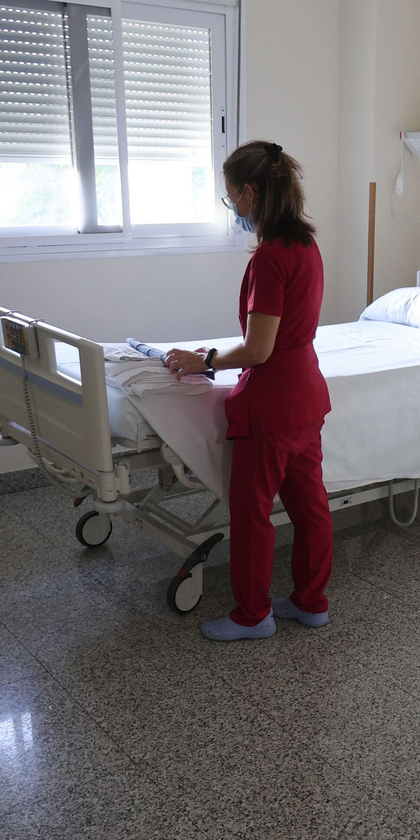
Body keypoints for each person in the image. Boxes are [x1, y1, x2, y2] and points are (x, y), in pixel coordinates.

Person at [164, 141, 333, 641]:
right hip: (306, 397)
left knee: (253, 512)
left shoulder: (270, 258)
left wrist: (206, 361)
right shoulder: (307, 244)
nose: (231, 207)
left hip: (273, 404)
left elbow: (259, 349)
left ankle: (252, 615)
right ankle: (311, 602)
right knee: (310, 508)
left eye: (230, 197)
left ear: (250, 193)